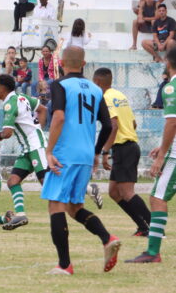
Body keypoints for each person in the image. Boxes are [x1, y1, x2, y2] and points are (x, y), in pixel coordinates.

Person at [42, 46, 120, 275]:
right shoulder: (96, 89)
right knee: (74, 207)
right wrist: (96, 152)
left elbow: (58, 116)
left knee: (55, 204)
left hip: (65, 153)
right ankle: (107, 238)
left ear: (61, 63)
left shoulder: (60, 84)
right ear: (84, 64)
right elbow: (108, 125)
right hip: (85, 154)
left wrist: (49, 150)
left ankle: (64, 265)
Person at [126, 48, 176, 263]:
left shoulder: (171, 87)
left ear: (167, 61)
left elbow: (172, 122)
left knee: (157, 198)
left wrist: (162, 154)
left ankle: (153, 253)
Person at [93, 68, 151, 237]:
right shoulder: (120, 95)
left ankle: (155, 228)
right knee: (114, 192)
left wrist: (104, 151)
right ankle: (143, 226)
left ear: (97, 83)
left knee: (127, 192)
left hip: (125, 148)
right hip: (126, 147)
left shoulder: (106, 98)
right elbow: (133, 124)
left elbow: (113, 126)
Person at [0, 74, 48, 231]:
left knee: (47, 184)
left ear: (3, 88)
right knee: (13, 181)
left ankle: (86, 189)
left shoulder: (9, 104)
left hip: (35, 146)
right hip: (27, 148)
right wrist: (39, 128)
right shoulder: (21, 97)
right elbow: (43, 109)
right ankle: (20, 215)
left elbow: (8, 132)